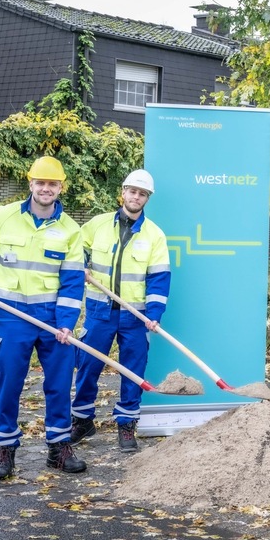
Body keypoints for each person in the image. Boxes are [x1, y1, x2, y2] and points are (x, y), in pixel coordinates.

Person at [0, 156, 86, 479]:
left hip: (54, 319)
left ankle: (59, 447)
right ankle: (6, 449)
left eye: (52, 184)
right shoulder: (5, 217)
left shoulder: (70, 230)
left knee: (59, 384)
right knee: (9, 382)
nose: (45, 188)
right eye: (40, 182)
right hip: (12, 317)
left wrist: (66, 323)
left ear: (60, 188)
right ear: (31, 184)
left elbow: (72, 282)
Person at [69, 169, 171, 453]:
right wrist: (83, 264)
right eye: (132, 191)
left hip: (135, 317)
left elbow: (159, 277)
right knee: (88, 366)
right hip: (99, 311)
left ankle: (126, 424)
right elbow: (76, 248)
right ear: (123, 191)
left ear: (146, 199)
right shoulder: (98, 225)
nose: (136, 197)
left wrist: (154, 314)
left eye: (142, 194)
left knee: (132, 371)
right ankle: (82, 420)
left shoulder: (154, 236)